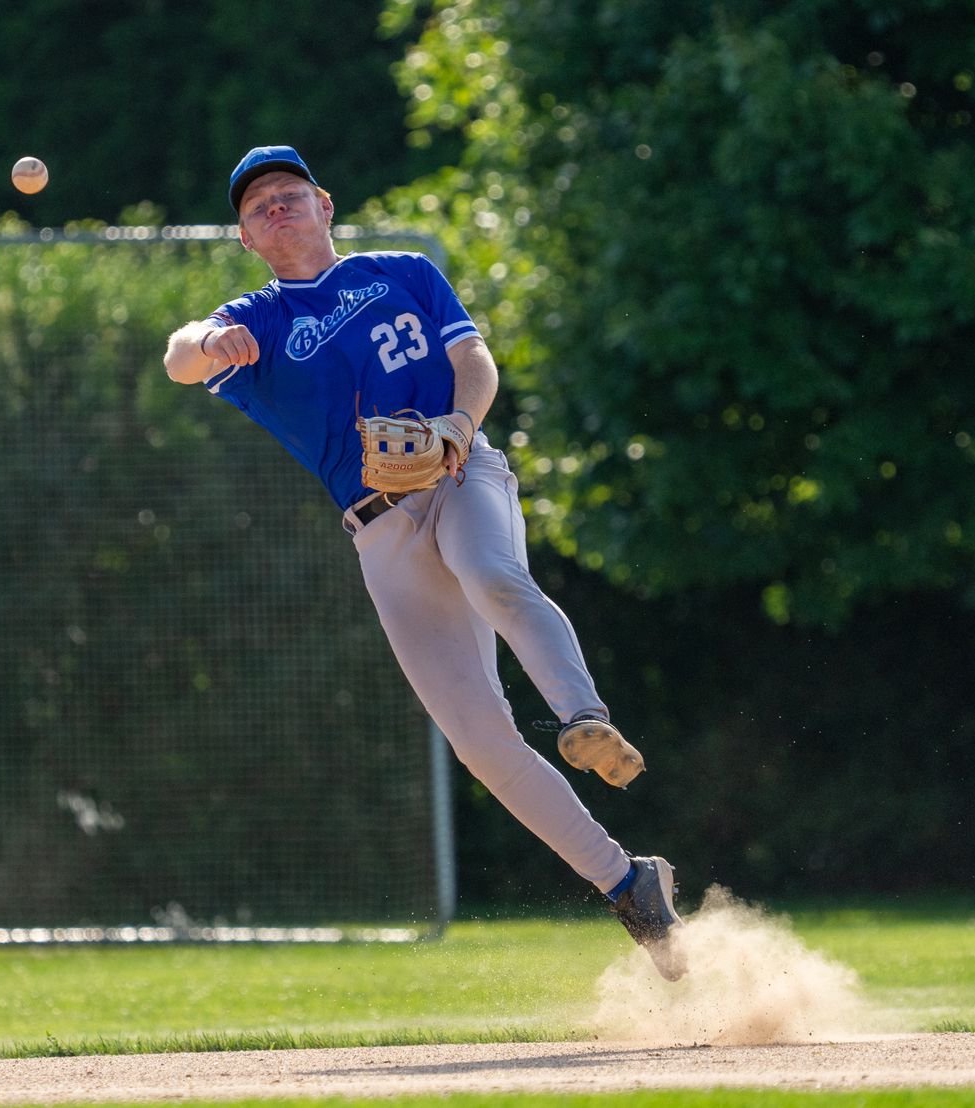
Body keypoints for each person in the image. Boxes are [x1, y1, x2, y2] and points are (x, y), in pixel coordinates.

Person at [164, 145, 684, 980]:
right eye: (259, 208)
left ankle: (584, 717)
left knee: (493, 576)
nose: (278, 210)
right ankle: (629, 883)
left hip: (455, 466)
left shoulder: (400, 270)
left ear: (325, 205)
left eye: (290, 195)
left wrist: (460, 426)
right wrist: (208, 339)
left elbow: (474, 361)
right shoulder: (255, 320)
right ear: (246, 238)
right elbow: (178, 357)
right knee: (478, 740)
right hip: (379, 529)